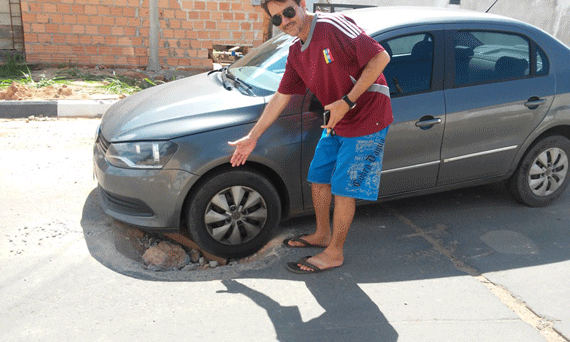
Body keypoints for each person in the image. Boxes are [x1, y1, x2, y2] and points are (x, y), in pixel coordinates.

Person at [228, 0, 393, 274]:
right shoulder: (295, 52)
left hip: (367, 116)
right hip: (337, 119)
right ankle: (322, 234)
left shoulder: (331, 27)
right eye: (277, 18)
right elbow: (282, 96)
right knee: (318, 178)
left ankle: (335, 252)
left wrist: (347, 101)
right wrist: (253, 136)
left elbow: (380, 57)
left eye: (289, 12)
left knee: (343, 188)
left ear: (301, 5)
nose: (285, 21)